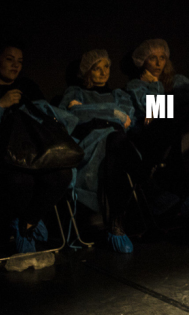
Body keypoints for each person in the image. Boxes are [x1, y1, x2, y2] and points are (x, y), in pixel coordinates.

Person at [0, 41, 73, 261]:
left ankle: (28, 223)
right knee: (21, 180)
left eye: (19, 61)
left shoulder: (27, 87)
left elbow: (46, 118)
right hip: (0, 156)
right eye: (9, 59)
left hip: (35, 153)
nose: (15, 65)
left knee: (62, 174)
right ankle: (22, 229)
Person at [59, 50, 137, 253]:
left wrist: (161, 98)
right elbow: (71, 115)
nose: (103, 72)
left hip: (131, 138)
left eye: (163, 58)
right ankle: (116, 223)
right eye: (97, 68)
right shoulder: (135, 86)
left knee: (180, 126)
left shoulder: (161, 86)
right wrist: (112, 113)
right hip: (99, 143)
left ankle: (173, 196)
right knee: (117, 141)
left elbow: (137, 117)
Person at [125, 39, 189, 214]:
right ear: (143, 62)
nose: (158, 63)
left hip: (183, 132)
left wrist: (164, 107)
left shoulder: (178, 80)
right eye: (152, 58)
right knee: (178, 115)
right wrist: (156, 85)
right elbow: (149, 111)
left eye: (162, 58)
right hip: (153, 136)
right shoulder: (136, 85)